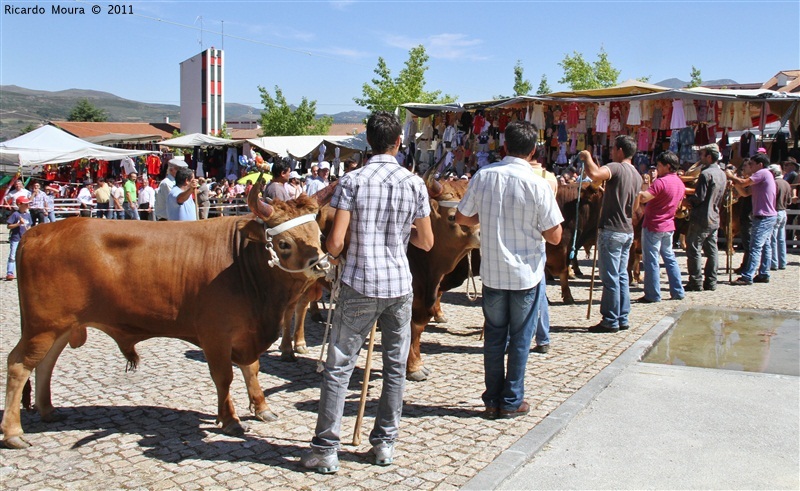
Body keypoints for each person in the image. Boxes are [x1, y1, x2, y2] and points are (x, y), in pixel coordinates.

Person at [301, 111, 434, 474]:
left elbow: (336, 241)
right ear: (398, 143)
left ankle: (327, 449)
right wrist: (400, 231)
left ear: (367, 143)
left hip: (360, 282)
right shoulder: (414, 183)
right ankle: (384, 445)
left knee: (340, 366)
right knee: (394, 368)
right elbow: (426, 241)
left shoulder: (352, 181)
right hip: (398, 285)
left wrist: (337, 251)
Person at [455, 120, 563, 419]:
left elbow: (462, 219)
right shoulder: (538, 184)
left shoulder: (484, 175)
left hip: (492, 272)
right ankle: (512, 400)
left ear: (504, 146)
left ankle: (492, 399)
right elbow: (554, 236)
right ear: (533, 151)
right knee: (519, 340)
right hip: (526, 274)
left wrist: (489, 217)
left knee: (494, 338)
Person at [579, 135, 643, 333]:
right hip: (626, 229)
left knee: (610, 278)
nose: (612, 152)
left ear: (620, 151)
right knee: (622, 275)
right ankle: (622, 316)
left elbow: (596, 173)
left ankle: (610, 319)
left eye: (614, 149)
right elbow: (636, 205)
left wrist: (587, 156)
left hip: (612, 229)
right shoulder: (637, 175)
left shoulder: (616, 168)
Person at [636, 151, 685, 303]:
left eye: (659, 165)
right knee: (670, 258)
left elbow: (645, 197)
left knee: (651, 261)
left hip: (654, 225)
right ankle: (677, 291)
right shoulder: (679, 183)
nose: (657, 168)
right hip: (668, 225)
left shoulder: (661, 182)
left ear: (667, 166)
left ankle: (653, 294)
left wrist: (636, 191)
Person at [728, 154, 777, 285]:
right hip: (767, 216)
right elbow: (745, 192)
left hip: (763, 216)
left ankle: (747, 276)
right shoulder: (764, 176)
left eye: (751, 164)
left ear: (760, 164)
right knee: (766, 246)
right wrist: (735, 183)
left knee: (755, 247)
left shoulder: (762, 173)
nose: (749, 167)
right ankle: (764, 273)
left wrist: (731, 176)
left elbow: (744, 183)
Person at [684, 143, 727, 291]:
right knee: (712, 251)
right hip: (714, 216)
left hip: (701, 216)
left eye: (702, 155)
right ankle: (711, 281)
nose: (700, 158)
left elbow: (699, 197)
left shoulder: (705, 174)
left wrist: (686, 201)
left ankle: (695, 282)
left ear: (709, 156)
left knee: (694, 249)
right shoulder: (722, 174)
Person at [769, 164, 791, 271]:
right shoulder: (786, 183)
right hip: (783, 211)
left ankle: (774, 263)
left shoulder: (774, 183)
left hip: (775, 211)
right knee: (781, 239)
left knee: (773, 239)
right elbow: (789, 200)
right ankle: (782, 262)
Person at [6, 196, 31, 281]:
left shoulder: (28, 215)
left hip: (25, 238)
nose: (27, 205)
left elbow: (29, 226)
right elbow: (8, 226)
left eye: (28, 204)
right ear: (19, 205)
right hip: (16, 238)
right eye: (25, 204)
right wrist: (18, 224)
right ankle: (9, 272)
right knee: (12, 256)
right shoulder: (15, 214)